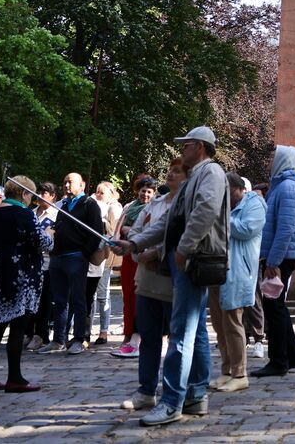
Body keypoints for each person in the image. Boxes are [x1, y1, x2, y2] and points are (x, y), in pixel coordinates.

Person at [117, 126, 229, 427]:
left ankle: (171, 402)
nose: (181, 150)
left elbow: (204, 212)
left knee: (181, 332)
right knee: (196, 332)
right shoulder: (196, 177)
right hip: (187, 261)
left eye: (186, 145)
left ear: (201, 147)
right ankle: (194, 395)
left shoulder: (211, 174)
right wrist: (135, 243)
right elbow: (168, 223)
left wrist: (184, 247)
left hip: (192, 262)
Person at [120, 158, 183, 412]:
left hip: (170, 278)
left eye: (177, 171)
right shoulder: (152, 205)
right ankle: (146, 389)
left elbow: (180, 235)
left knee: (176, 338)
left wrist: (156, 253)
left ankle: (173, 391)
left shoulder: (184, 205)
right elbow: (135, 232)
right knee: (148, 335)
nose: (171, 174)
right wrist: (139, 252)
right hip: (146, 277)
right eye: (170, 170)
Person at [0, 176, 45, 393]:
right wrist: (50, 236)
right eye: (31, 197)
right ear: (24, 194)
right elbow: (40, 241)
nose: (31, 201)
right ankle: (15, 378)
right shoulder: (24, 214)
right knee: (18, 326)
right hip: (20, 278)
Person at [251, 144, 295, 379]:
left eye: (272, 158)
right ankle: (293, 355)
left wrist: (273, 261)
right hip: (281, 256)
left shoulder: (287, 188)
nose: (268, 161)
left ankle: (279, 361)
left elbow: (285, 229)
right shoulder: (283, 186)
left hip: (281, 257)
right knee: (277, 307)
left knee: (274, 308)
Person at [208, 172, 264, 393]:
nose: (226, 197)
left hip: (238, 269)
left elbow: (246, 230)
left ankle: (240, 373)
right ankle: (227, 370)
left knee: (232, 321)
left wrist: (220, 217)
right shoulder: (223, 204)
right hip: (216, 266)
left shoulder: (255, 204)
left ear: (241, 188)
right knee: (219, 324)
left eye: (229, 192)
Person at [40, 172, 102, 355]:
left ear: (82, 185)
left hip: (76, 257)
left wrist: (84, 253)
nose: (67, 185)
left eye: (71, 182)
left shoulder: (89, 205)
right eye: (65, 182)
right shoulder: (63, 205)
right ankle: (59, 339)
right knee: (59, 300)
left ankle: (78, 339)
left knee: (78, 300)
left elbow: (96, 230)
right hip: (58, 257)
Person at [112, 176, 157, 358]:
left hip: (143, 254)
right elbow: (119, 229)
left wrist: (129, 231)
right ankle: (128, 333)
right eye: (142, 190)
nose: (145, 194)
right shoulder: (129, 207)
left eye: (149, 191)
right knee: (128, 295)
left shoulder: (155, 207)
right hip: (128, 255)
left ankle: (141, 336)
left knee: (141, 296)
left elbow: (147, 231)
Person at [89, 181, 123, 346]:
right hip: (93, 256)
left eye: (102, 192)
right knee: (91, 295)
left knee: (102, 295)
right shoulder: (94, 205)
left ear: (111, 194)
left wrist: (102, 221)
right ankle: (87, 330)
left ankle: (104, 331)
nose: (98, 195)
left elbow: (116, 232)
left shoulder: (113, 208)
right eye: (97, 191)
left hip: (105, 257)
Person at [26, 182, 58, 351]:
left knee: (44, 300)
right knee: (30, 299)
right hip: (30, 262)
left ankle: (41, 334)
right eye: (40, 192)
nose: (41, 195)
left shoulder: (56, 214)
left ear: (53, 196)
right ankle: (28, 332)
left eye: (45, 192)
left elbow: (51, 238)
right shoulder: (31, 214)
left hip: (47, 263)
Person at [245, 184, 268, 359]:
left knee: (254, 299)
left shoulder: (259, 210)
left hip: (254, 259)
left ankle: (258, 337)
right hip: (240, 260)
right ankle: (244, 336)